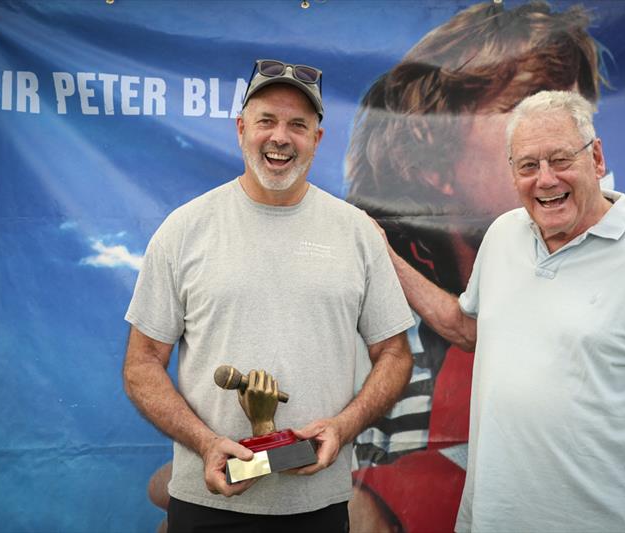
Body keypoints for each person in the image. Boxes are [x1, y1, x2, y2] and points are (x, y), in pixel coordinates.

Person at [345, 2, 625, 531]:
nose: (547, 178)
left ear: (597, 158)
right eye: (527, 162)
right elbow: (467, 328)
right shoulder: (504, 237)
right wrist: (381, 254)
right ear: (434, 162)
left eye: (562, 157)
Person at [123, 58, 414, 532]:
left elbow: (395, 353)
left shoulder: (357, 233)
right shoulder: (184, 230)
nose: (281, 137)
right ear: (241, 129)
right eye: (267, 121)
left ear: (316, 141)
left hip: (318, 507)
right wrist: (204, 442)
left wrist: (343, 427)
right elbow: (141, 364)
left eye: (298, 125)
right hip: (207, 506)